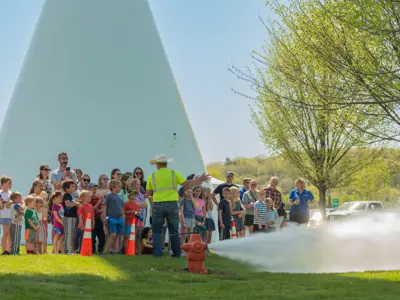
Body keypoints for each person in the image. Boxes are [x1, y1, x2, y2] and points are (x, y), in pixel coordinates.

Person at [146, 154, 209, 257]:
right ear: (166, 163)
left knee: (157, 231)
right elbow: (186, 184)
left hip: (158, 205)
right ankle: (176, 253)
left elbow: (148, 193)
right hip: (172, 204)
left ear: (157, 164)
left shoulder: (152, 176)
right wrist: (198, 180)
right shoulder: (173, 173)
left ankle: (157, 254)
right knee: (174, 230)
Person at [211, 171, 238, 240]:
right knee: (223, 228)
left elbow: (238, 197)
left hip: (233, 209)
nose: (230, 177)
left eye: (231, 176)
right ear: (226, 177)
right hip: (223, 208)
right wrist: (217, 204)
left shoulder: (235, 187)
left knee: (233, 229)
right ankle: (222, 241)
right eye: (228, 176)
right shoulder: (221, 186)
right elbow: (212, 195)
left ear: (233, 177)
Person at [103, 179, 124, 254]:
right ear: (113, 187)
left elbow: (122, 208)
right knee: (112, 234)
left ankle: (116, 250)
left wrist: (123, 217)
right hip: (111, 218)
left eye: (120, 187)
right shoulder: (109, 196)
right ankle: (107, 250)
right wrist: (104, 217)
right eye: (118, 187)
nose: (119, 188)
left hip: (119, 218)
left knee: (119, 235)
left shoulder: (120, 197)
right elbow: (105, 207)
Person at [62, 179, 79, 254]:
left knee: (71, 233)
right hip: (68, 217)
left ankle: (70, 249)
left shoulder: (70, 196)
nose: (74, 187)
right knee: (68, 233)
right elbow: (68, 204)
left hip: (72, 217)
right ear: (67, 189)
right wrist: (76, 204)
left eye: (74, 186)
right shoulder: (66, 195)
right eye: (72, 186)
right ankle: (67, 249)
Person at [89, 183, 105, 254]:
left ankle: (100, 249)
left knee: (102, 236)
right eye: (93, 189)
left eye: (95, 189)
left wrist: (100, 210)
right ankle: (93, 250)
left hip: (98, 218)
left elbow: (101, 208)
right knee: (93, 236)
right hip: (92, 219)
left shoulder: (97, 198)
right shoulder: (89, 199)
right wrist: (99, 202)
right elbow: (92, 208)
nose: (94, 191)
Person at [0, 176, 13, 255]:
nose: (10, 184)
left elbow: (14, 202)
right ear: (3, 183)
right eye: (9, 183)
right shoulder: (0, 193)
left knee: (8, 233)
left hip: (9, 216)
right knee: (6, 232)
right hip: (3, 215)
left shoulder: (11, 193)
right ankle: (4, 250)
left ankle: (7, 250)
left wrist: (10, 202)